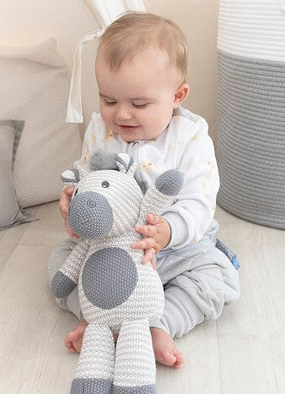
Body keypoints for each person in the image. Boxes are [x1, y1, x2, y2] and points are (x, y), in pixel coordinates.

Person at [47, 12, 239, 369]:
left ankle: (158, 324)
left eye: (139, 104)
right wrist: (73, 203)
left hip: (173, 250)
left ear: (176, 96)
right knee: (59, 265)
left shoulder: (190, 137)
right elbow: (86, 177)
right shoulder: (99, 130)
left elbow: (200, 200)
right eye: (108, 100)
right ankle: (101, 316)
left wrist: (169, 232)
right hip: (108, 250)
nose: (121, 115)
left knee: (219, 280)